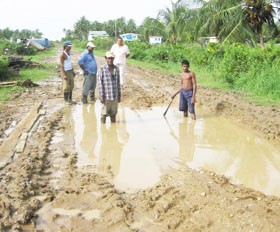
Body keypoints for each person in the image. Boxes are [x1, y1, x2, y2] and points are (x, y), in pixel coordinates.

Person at [97, 51, 121, 124]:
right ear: (106, 58)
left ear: (113, 58)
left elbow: (118, 83)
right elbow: (100, 83)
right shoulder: (102, 69)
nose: (110, 60)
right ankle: (103, 128)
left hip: (115, 96)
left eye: (111, 58)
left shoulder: (116, 69)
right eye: (108, 58)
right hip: (106, 96)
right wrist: (101, 96)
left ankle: (113, 131)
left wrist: (119, 95)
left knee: (113, 114)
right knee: (104, 114)